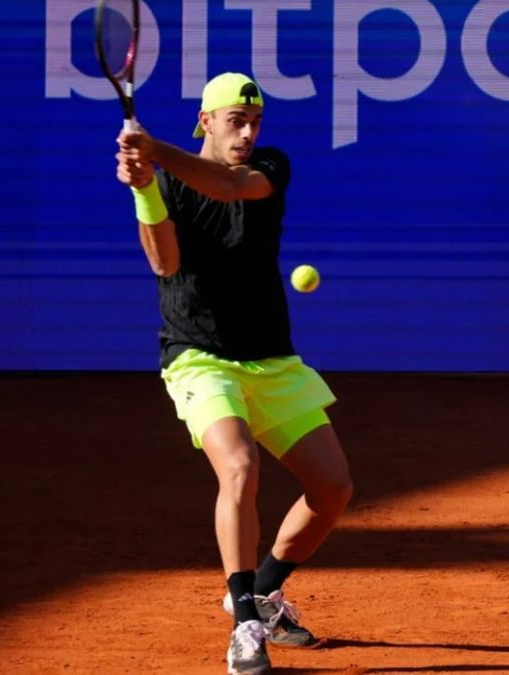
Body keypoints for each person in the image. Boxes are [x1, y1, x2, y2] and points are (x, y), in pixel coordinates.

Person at [114, 73, 354, 675]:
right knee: (240, 466)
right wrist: (146, 187)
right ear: (206, 121)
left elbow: (228, 185)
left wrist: (152, 148)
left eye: (254, 123)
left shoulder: (269, 167)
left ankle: (264, 593)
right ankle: (246, 622)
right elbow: (164, 261)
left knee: (332, 489)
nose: (247, 134)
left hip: (270, 358)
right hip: (198, 356)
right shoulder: (167, 179)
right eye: (234, 122)